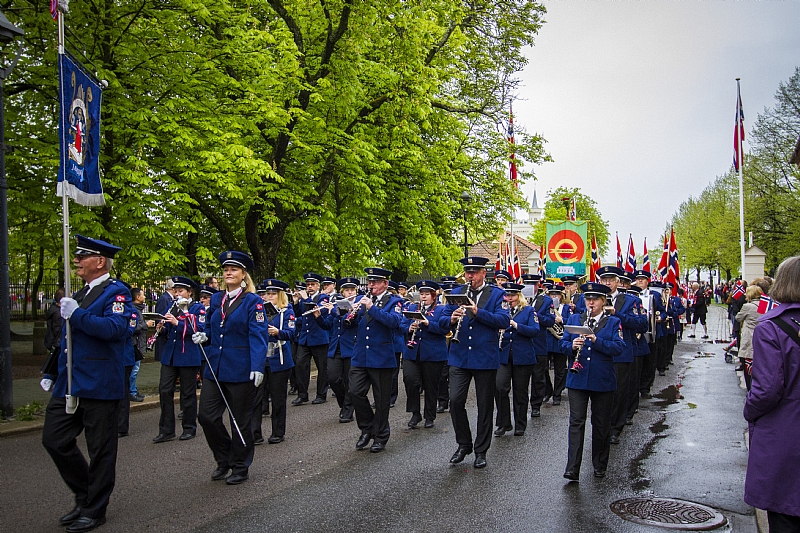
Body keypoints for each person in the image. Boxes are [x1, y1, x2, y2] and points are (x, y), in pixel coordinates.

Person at [41, 235, 131, 533]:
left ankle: (94, 509)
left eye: (82, 255)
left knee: (100, 450)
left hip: (100, 382)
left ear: (100, 261)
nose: (76, 260)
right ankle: (84, 495)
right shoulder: (79, 294)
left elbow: (115, 329)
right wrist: (51, 371)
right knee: (54, 440)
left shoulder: (116, 293)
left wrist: (77, 315)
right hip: (70, 382)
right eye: (77, 254)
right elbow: (67, 342)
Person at [193, 251, 269, 485]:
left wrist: (257, 366)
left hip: (241, 368)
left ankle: (240, 465)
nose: (228, 272)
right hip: (215, 367)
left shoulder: (252, 301)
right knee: (206, 416)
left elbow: (258, 335)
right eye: (226, 269)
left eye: (234, 269)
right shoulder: (216, 300)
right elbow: (214, 329)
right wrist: (203, 336)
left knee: (239, 421)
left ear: (244, 275)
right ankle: (224, 457)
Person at [743, 255, 800, 532]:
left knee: (784, 517)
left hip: (785, 434)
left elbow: (767, 389)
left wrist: (749, 411)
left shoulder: (772, 327)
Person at [445, 257, 510, 469]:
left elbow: (503, 321)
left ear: (484, 273)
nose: (470, 276)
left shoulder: (497, 294)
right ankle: (464, 444)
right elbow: (439, 323)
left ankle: (481, 451)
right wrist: (451, 320)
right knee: (455, 401)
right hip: (460, 355)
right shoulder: (456, 293)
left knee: (484, 406)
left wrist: (477, 312)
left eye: (474, 272)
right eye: (467, 272)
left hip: (484, 356)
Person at [560, 282, 625, 481]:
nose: (590, 303)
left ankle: (599, 464)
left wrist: (597, 340)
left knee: (601, 423)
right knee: (576, 422)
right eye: (588, 299)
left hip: (602, 379)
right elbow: (561, 344)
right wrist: (571, 345)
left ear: (603, 301)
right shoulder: (574, 319)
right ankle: (572, 468)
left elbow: (618, 347)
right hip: (578, 378)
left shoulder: (613, 322)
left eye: (595, 299)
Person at [348, 267, 404, 453]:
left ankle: (380, 435)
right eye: (370, 281)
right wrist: (347, 314)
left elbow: (395, 322)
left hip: (381, 357)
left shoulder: (394, 301)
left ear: (385, 284)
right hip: (360, 355)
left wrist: (372, 309)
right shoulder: (361, 300)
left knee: (381, 400)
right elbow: (351, 325)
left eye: (375, 282)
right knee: (355, 392)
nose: (371, 285)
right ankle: (367, 428)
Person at [596, 266, 647, 445]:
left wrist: (617, 315)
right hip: (598, 351)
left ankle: (615, 429)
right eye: (604, 280)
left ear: (618, 282)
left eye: (611, 280)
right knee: (600, 392)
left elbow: (642, 324)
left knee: (618, 392)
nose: (607, 283)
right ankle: (601, 426)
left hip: (621, 352)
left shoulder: (630, 300)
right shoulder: (592, 298)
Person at [153, 276, 205, 443]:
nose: (177, 294)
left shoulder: (198, 308)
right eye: (175, 291)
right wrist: (161, 327)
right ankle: (166, 430)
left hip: (188, 354)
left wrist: (178, 323)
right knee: (165, 390)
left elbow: (199, 329)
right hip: (171, 355)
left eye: (181, 291)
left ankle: (189, 427)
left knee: (187, 393)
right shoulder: (172, 306)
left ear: (189, 292)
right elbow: (168, 330)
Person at [252, 279, 295, 444]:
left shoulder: (287, 312)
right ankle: (255, 433)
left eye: (272, 294)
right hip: (261, 359)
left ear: (280, 295)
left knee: (278, 399)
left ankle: (278, 432)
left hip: (279, 359)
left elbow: (291, 333)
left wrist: (278, 332)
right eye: (267, 294)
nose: (269, 297)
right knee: (256, 399)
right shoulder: (259, 312)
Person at [402, 280, 450, 429]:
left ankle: (430, 415)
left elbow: (444, 329)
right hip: (412, 352)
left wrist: (428, 323)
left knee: (430, 385)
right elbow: (401, 325)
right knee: (410, 380)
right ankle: (415, 413)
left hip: (432, 353)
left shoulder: (441, 310)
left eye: (426, 294)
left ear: (434, 296)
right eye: (421, 294)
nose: (423, 297)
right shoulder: (412, 307)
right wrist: (409, 328)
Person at [495, 283, 540, 437]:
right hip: (504, 355)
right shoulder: (502, 311)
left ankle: (520, 424)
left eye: (512, 296)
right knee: (500, 387)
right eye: (507, 296)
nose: (509, 299)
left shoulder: (528, 311)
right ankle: (503, 423)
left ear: (519, 296)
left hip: (523, 356)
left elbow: (535, 330)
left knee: (520, 392)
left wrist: (517, 325)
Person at [292, 273, 332, 406]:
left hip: (319, 338)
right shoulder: (305, 298)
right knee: (300, 365)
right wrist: (296, 302)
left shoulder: (324, 298)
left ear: (318, 286)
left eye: (312, 284)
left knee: (322, 367)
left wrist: (303, 300)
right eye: (308, 285)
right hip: (305, 338)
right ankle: (302, 395)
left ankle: (321, 394)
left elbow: (313, 310)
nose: (309, 287)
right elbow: (298, 314)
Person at [325, 277, 361, 423]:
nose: (349, 292)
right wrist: (317, 316)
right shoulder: (336, 305)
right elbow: (327, 325)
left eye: (352, 290)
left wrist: (333, 311)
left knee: (349, 381)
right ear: (342, 292)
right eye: (347, 290)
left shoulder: (358, 306)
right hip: (335, 347)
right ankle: (344, 404)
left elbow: (349, 322)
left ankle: (348, 410)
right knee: (333, 378)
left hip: (351, 346)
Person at [735, 285, 763, 392]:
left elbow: (738, 317)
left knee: (748, 366)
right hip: (761, 337)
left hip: (749, 338)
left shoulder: (748, 306)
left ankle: (750, 389)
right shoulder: (764, 305)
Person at [129, 288, 151, 402]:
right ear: (137, 297)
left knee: (135, 369)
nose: (145, 297)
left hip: (137, 344)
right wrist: (145, 324)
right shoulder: (134, 310)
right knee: (134, 369)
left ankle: (133, 390)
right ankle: (131, 392)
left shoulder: (137, 310)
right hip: (134, 345)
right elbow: (133, 328)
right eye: (143, 295)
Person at [153, 278, 177, 362]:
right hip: (164, 336)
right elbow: (161, 317)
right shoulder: (165, 298)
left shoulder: (169, 298)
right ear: (172, 289)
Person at [44, 288, 65, 357]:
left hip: (55, 342)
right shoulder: (58, 313)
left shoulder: (54, 310)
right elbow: (58, 329)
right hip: (58, 344)